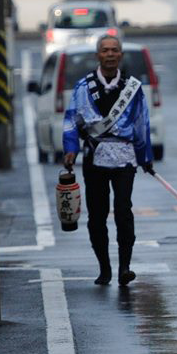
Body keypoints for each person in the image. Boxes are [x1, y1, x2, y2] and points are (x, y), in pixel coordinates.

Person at [62, 34, 154, 287]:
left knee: (123, 211)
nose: (110, 54)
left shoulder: (132, 88)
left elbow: (142, 122)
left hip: (124, 157)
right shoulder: (83, 87)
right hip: (95, 157)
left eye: (115, 50)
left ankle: (125, 267)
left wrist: (145, 156)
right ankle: (104, 268)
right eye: (105, 50)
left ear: (120, 55)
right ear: (98, 55)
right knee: (97, 215)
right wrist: (70, 148)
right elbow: (71, 120)